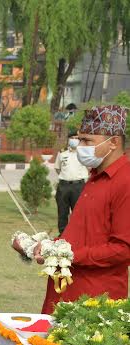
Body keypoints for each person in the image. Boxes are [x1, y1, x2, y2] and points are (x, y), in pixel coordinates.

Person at [38, 105, 130, 314]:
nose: (80, 146)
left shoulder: (125, 181)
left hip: (94, 301)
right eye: (80, 140)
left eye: (87, 141)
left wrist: (70, 255)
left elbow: (124, 249)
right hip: (65, 293)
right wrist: (48, 247)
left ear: (114, 142)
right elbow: (83, 234)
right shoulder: (95, 176)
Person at [54, 129, 89, 234]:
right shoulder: (62, 152)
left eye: (76, 138)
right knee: (62, 213)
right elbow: (58, 168)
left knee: (78, 213)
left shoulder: (84, 153)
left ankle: (78, 236)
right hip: (63, 186)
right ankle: (62, 236)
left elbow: (90, 168)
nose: (74, 140)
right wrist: (66, 177)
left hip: (79, 186)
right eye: (72, 138)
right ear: (68, 139)